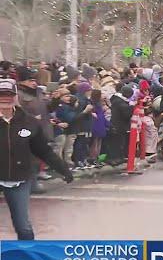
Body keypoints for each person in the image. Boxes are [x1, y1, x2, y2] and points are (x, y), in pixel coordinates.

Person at [0, 79, 74, 240]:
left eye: (9, 95)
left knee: (23, 227)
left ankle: (28, 259)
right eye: (1, 95)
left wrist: (63, 169)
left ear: (15, 97)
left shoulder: (29, 122)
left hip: (19, 178)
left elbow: (44, 151)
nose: (5, 99)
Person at [107, 85, 134, 166]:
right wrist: (132, 107)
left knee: (120, 142)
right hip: (117, 125)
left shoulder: (118, 100)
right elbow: (126, 114)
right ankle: (113, 158)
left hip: (120, 125)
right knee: (115, 143)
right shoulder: (118, 102)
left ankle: (120, 157)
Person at [89, 89, 108, 167]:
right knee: (96, 143)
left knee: (96, 143)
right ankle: (95, 158)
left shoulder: (95, 104)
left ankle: (95, 158)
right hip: (98, 125)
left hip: (98, 124)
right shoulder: (96, 105)